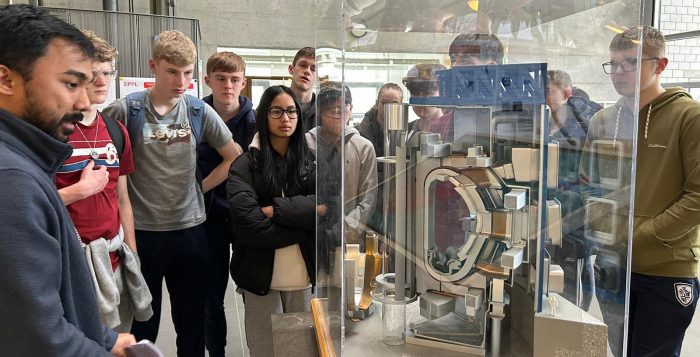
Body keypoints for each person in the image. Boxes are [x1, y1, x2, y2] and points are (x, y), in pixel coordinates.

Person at [0, 4, 135, 356]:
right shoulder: (12, 181)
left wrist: (103, 340)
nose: (81, 100)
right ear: (6, 79)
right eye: (71, 84)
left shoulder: (25, 159)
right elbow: (38, 341)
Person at [103, 30, 241, 356]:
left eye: (188, 73)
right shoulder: (127, 111)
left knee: (191, 324)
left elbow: (232, 155)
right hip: (144, 235)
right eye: (172, 71)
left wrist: (200, 187)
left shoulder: (197, 112)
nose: (181, 81)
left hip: (190, 231)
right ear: (153, 66)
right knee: (143, 325)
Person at [579, 26, 700, 357]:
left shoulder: (689, 117)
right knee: (620, 351)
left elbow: (698, 196)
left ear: (660, 65)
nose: (618, 72)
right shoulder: (603, 120)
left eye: (630, 63)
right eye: (613, 64)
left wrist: (642, 233)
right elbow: (587, 184)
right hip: (611, 264)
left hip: (665, 269)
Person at [54, 30, 153, 333]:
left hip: (114, 257)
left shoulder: (115, 130)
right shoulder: (52, 131)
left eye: (107, 73)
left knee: (118, 339)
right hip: (69, 261)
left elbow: (123, 198)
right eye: (93, 74)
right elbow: (28, 202)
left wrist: (132, 253)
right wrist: (80, 190)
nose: (102, 82)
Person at [227, 85, 317, 357]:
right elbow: (250, 227)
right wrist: (303, 225)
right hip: (259, 278)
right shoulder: (244, 165)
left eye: (291, 111)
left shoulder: (311, 163)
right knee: (265, 351)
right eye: (276, 111)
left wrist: (275, 210)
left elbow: (328, 208)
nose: (285, 119)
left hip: (302, 277)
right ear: (264, 116)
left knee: (300, 351)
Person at [199, 51, 255, 357]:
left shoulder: (258, 121)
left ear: (243, 82)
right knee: (211, 296)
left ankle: (259, 349)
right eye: (220, 79)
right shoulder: (193, 115)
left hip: (247, 217)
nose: (228, 86)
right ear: (208, 80)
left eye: (234, 79)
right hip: (208, 218)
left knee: (254, 294)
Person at [545, 69, 601, 311]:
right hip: (550, 210)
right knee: (554, 270)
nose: (544, 95)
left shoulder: (583, 127)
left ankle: (578, 315)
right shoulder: (542, 122)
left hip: (575, 212)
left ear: (566, 93)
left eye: (549, 90)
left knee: (576, 269)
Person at [307, 81, 377, 245]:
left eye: (343, 107)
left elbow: (368, 200)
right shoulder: (305, 144)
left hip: (349, 242)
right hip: (309, 239)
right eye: (330, 108)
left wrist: (340, 233)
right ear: (319, 111)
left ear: (351, 109)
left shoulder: (363, 147)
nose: (337, 113)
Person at [356, 83, 403, 235]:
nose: (389, 108)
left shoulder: (406, 135)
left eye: (394, 104)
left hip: (398, 205)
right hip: (366, 204)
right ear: (377, 104)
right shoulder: (359, 136)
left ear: (401, 106)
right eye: (385, 103)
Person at [402, 62, 449, 133]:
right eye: (415, 92)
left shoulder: (451, 131)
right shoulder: (406, 130)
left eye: (427, 92)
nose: (420, 99)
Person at [288, 47, 317, 131]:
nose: (307, 71)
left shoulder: (323, 112)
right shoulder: (272, 104)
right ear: (291, 69)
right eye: (303, 65)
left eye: (313, 69)